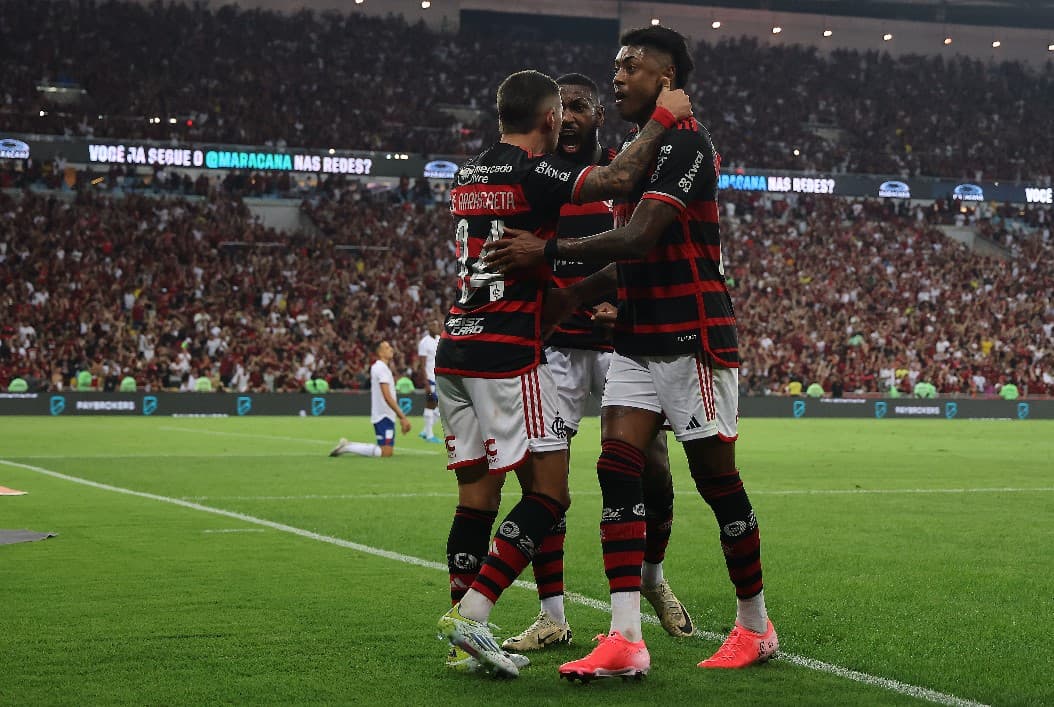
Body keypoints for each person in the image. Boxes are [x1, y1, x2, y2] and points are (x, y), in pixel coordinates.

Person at [484, 26, 777, 678]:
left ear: (666, 79)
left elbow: (641, 238)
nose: (618, 75)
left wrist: (549, 256)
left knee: (716, 482)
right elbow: (624, 261)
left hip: (691, 335)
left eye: (632, 67)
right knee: (617, 466)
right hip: (639, 340)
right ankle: (624, 638)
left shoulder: (688, 143)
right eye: (616, 64)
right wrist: (572, 296)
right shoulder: (641, 153)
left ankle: (755, 625)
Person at [436, 68, 692, 679]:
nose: (570, 118)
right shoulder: (548, 173)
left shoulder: (471, 172)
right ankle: (486, 615)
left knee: (480, 498)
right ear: (551, 117)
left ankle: (465, 631)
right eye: (563, 108)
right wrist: (665, 116)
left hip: (459, 347)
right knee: (550, 494)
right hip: (519, 349)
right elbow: (618, 184)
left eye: (585, 106)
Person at [330, 341, 411, 458]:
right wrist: (402, 417)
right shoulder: (380, 368)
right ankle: (347, 446)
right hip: (383, 415)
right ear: (380, 352)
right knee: (385, 452)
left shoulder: (382, 368)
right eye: (387, 348)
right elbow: (387, 396)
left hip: (386, 415)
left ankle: (347, 446)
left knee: (386, 451)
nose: (391, 349)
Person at [416, 319, 442, 443]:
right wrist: (425, 382)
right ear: (429, 327)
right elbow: (422, 365)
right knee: (430, 404)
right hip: (430, 379)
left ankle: (425, 431)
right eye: (433, 325)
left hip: (439, 378)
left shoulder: (439, 339)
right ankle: (429, 435)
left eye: (437, 325)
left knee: (441, 407)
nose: (436, 327)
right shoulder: (424, 342)